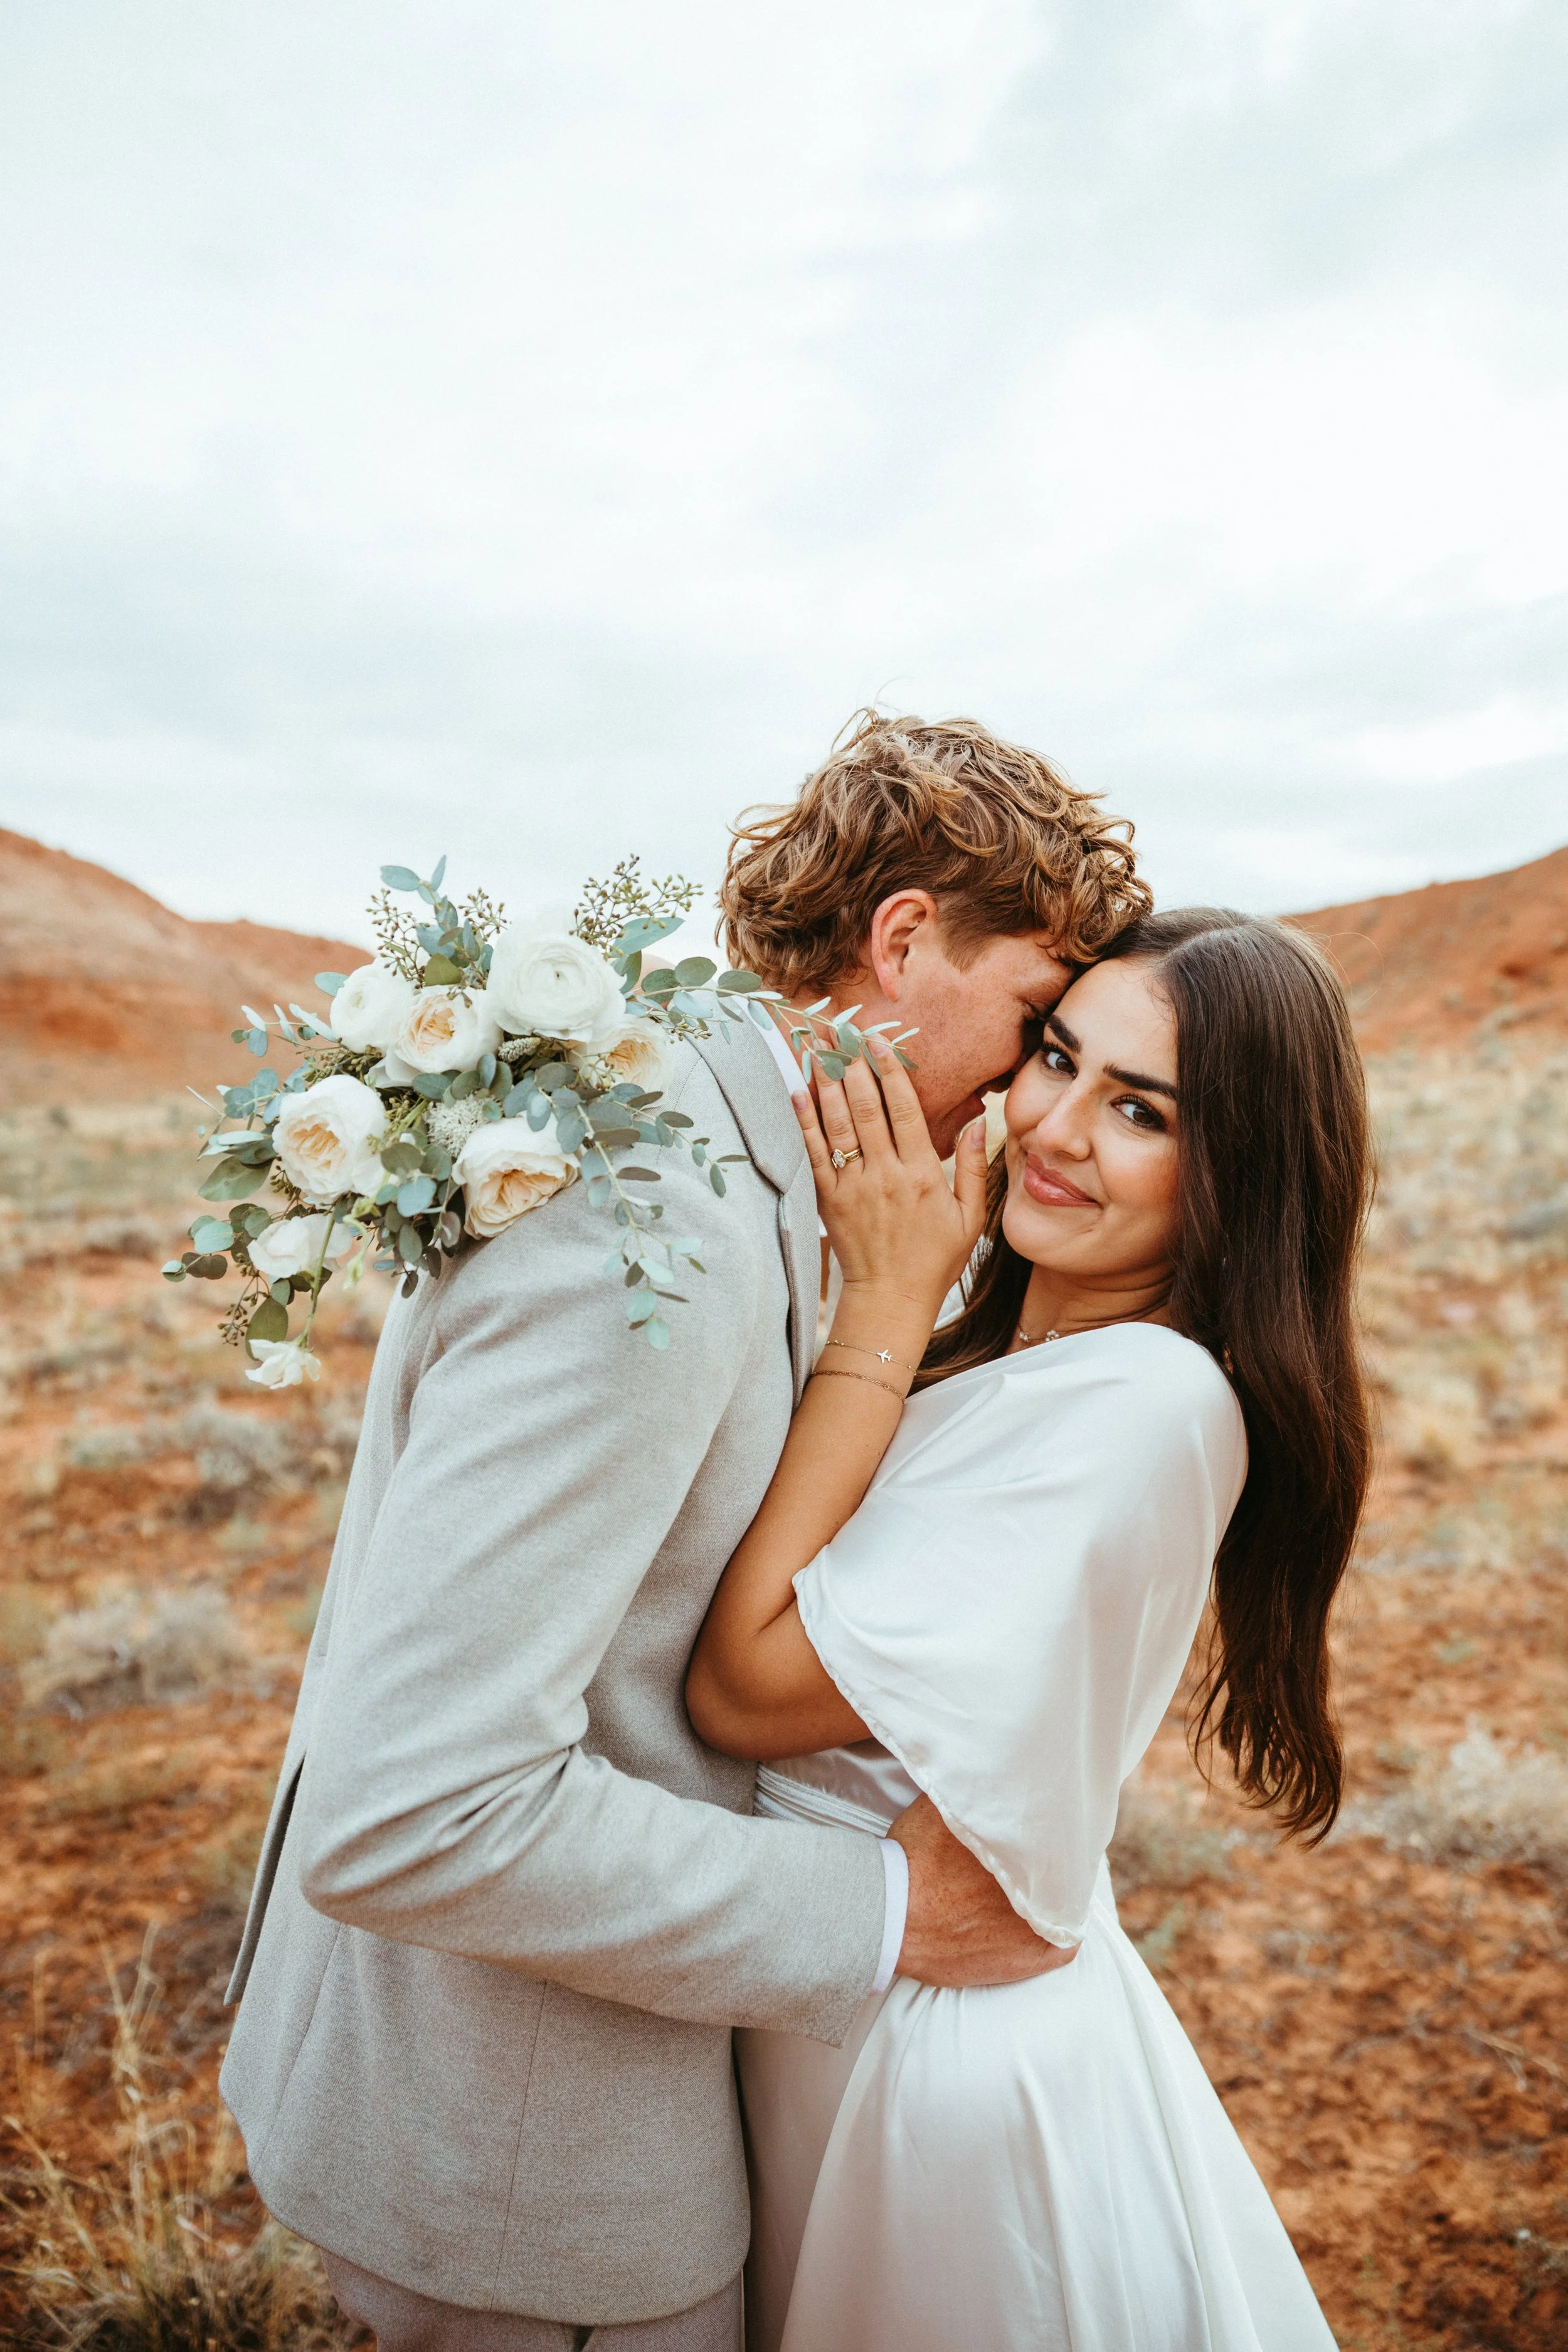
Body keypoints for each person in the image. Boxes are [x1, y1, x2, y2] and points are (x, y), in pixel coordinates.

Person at [218, 711, 1149, 2350]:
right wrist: (877, 1910)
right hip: (531, 2171)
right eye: (1032, 1015)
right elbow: (416, 1802)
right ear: (907, 937)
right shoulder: (661, 1224)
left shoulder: (706, 1142)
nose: (1027, 1082)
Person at [687, 907, 1372, 2351]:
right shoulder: (1022, 1342)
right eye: (1054, 1058)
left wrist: (878, 1300)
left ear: (1236, 1172)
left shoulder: (1142, 1403)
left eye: (1138, 1112)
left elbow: (745, 1691)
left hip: (936, 2080)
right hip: (843, 2003)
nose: (1053, 1128)